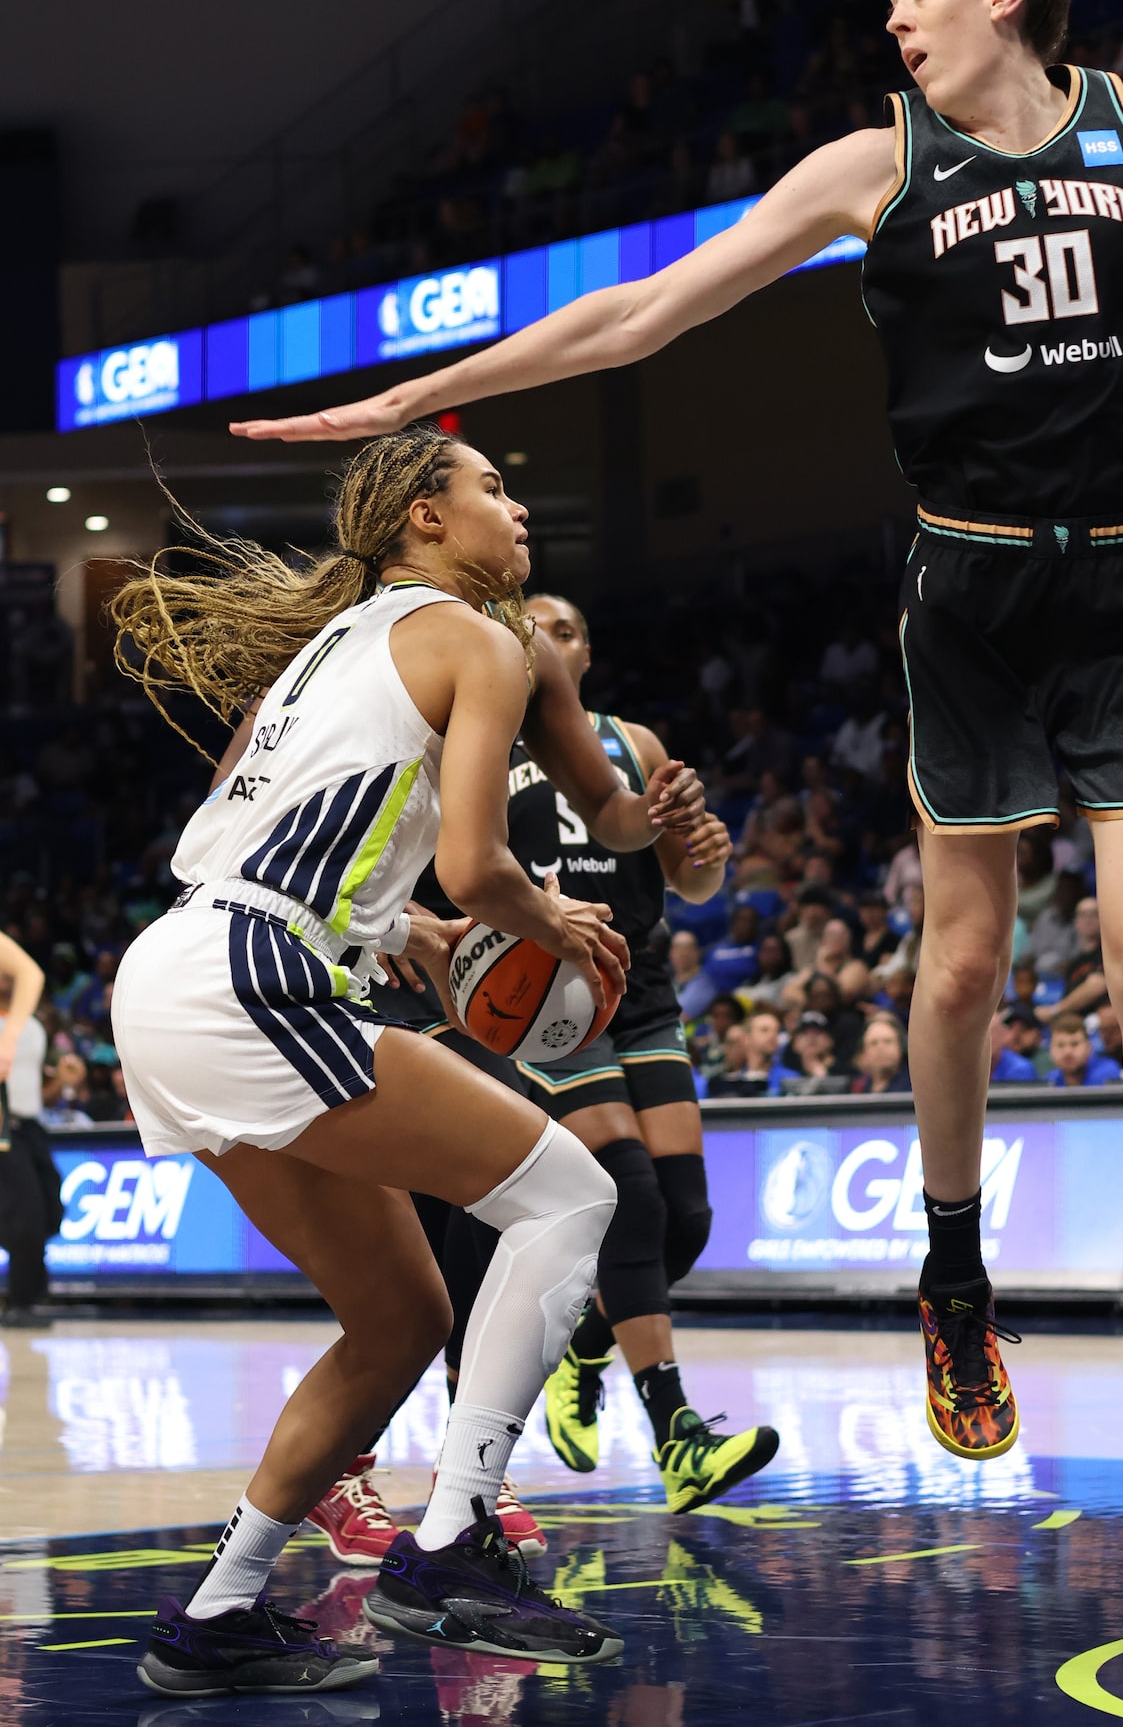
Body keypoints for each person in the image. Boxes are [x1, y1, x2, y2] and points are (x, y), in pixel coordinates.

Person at [235, 0, 1123, 1506]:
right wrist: (434, 390)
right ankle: (953, 1285)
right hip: (970, 594)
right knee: (959, 962)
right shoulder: (869, 166)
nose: (895, 18)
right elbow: (649, 310)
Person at [108, 425, 704, 1690]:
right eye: (495, 486)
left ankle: (214, 1617)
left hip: (173, 973)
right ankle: (452, 1541)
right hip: (255, 980)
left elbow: (243, 836)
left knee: (397, 1320)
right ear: (424, 520)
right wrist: (553, 921)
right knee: (573, 1193)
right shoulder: (479, 638)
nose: (518, 506)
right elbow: (478, 863)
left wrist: (406, 926)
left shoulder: (316, 656)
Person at [382, 593, 776, 1518]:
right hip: (545, 987)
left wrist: (704, 852)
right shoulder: (474, 737)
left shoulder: (627, 743)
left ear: (583, 655)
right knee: (628, 1192)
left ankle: (588, 1342)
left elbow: (686, 875)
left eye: (560, 631)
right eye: (528, 629)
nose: (540, 642)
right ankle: (678, 1431)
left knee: (684, 1218)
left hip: (637, 988)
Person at [0, 934, 58, 1327]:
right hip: (5, 1128)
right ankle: (22, 1301)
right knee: (27, 1214)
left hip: (33, 1124)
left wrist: (65, 1084)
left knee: (51, 1209)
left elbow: (36, 1087)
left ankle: (31, 1291)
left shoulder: (31, 1024)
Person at [1046, 1013, 1123, 1087]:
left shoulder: (1107, 1072)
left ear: (1088, 1047)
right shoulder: (1051, 1079)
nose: (1067, 1052)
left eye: (1075, 1044)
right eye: (1060, 1045)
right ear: (1050, 1049)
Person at [851, 1013, 910, 1093]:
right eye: (874, 1043)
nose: (881, 1048)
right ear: (864, 1052)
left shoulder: (914, 1085)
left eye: (887, 1041)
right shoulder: (859, 1088)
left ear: (900, 1047)